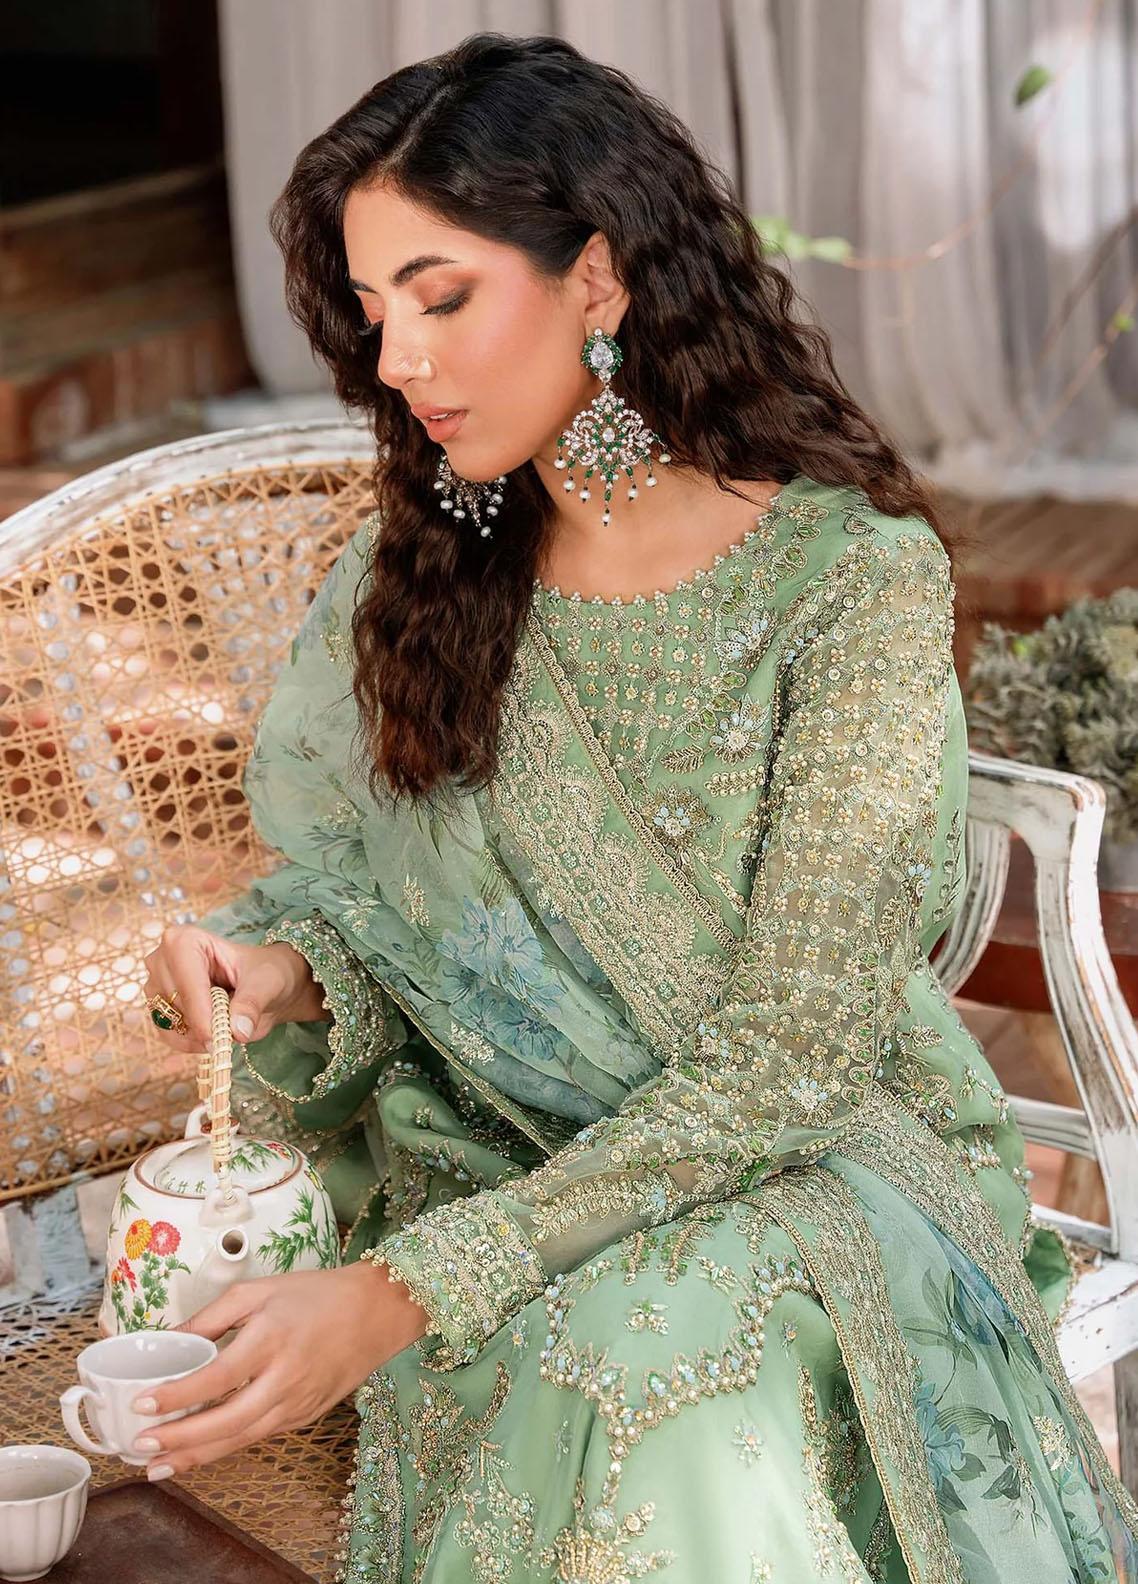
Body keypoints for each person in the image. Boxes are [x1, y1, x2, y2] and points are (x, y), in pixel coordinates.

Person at [133, 30, 1138, 1584]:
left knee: (638, 1357)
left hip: (817, 1164)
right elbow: (374, 908)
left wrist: (412, 1291)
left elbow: (795, 1054)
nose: (397, 362)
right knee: (610, 1345)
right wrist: (282, 969)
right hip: (498, 1162)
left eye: (441, 297)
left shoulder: (844, 582)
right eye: (374, 311)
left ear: (596, 279)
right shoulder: (414, 577)